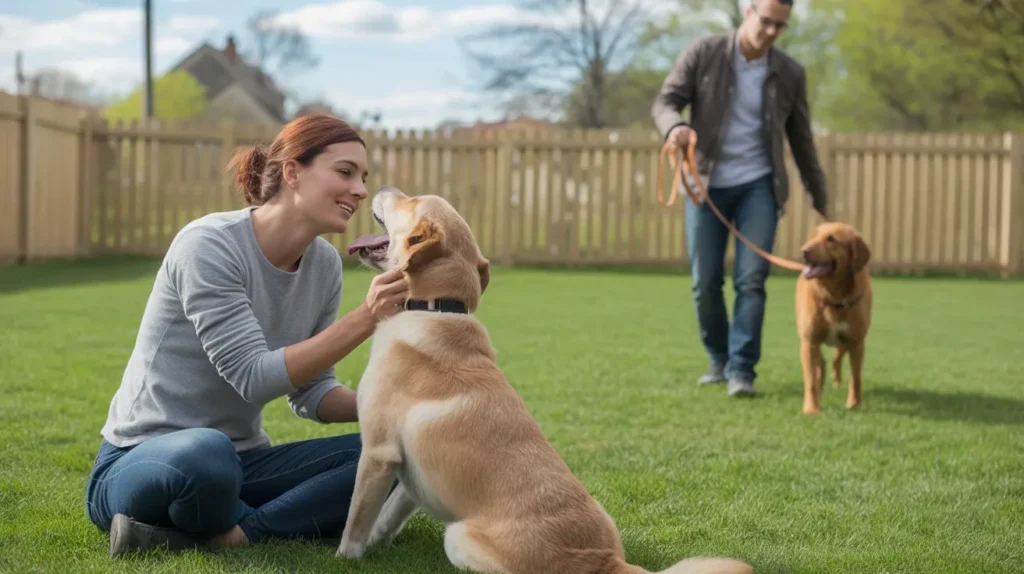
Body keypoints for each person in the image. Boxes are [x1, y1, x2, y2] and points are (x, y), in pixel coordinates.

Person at [84, 114, 411, 557]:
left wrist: (396, 410)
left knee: (399, 454)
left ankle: (234, 532)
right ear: (293, 172)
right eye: (345, 172)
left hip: (243, 463)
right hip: (145, 459)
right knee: (207, 456)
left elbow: (311, 393)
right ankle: (283, 517)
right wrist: (367, 317)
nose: (360, 190)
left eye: (363, 177)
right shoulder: (208, 245)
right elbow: (253, 377)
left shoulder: (324, 266)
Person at [651, 0, 828, 398]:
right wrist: (675, 127)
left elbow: (802, 140)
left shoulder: (790, 72)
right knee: (705, 281)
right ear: (748, 12)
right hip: (705, 185)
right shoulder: (704, 52)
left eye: (780, 26)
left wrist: (820, 196)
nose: (770, 32)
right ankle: (719, 359)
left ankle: (742, 370)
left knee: (751, 279)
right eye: (765, 21)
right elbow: (665, 101)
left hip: (759, 186)